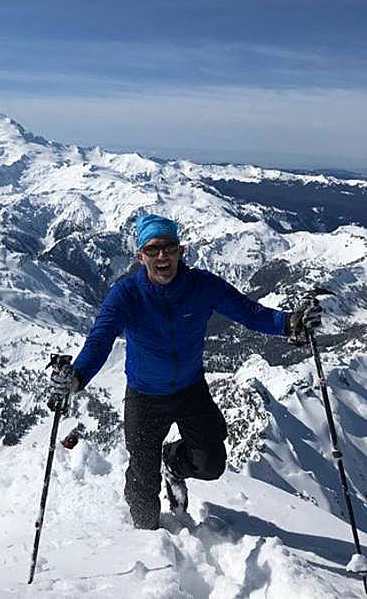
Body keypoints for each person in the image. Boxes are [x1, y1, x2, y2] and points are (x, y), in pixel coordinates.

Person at [48, 214, 322, 530]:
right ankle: (145, 538)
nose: (162, 255)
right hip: (145, 397)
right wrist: (77, 377)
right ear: (140, 257)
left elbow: (249, 313)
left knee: (211, 464)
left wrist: (290, 323)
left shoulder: (201, 286)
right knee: (142, 486)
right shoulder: (126, 294)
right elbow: (100, 340)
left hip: (191, 390)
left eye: (169, 247)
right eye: (152, 250)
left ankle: (172, 463)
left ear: (180, 251)